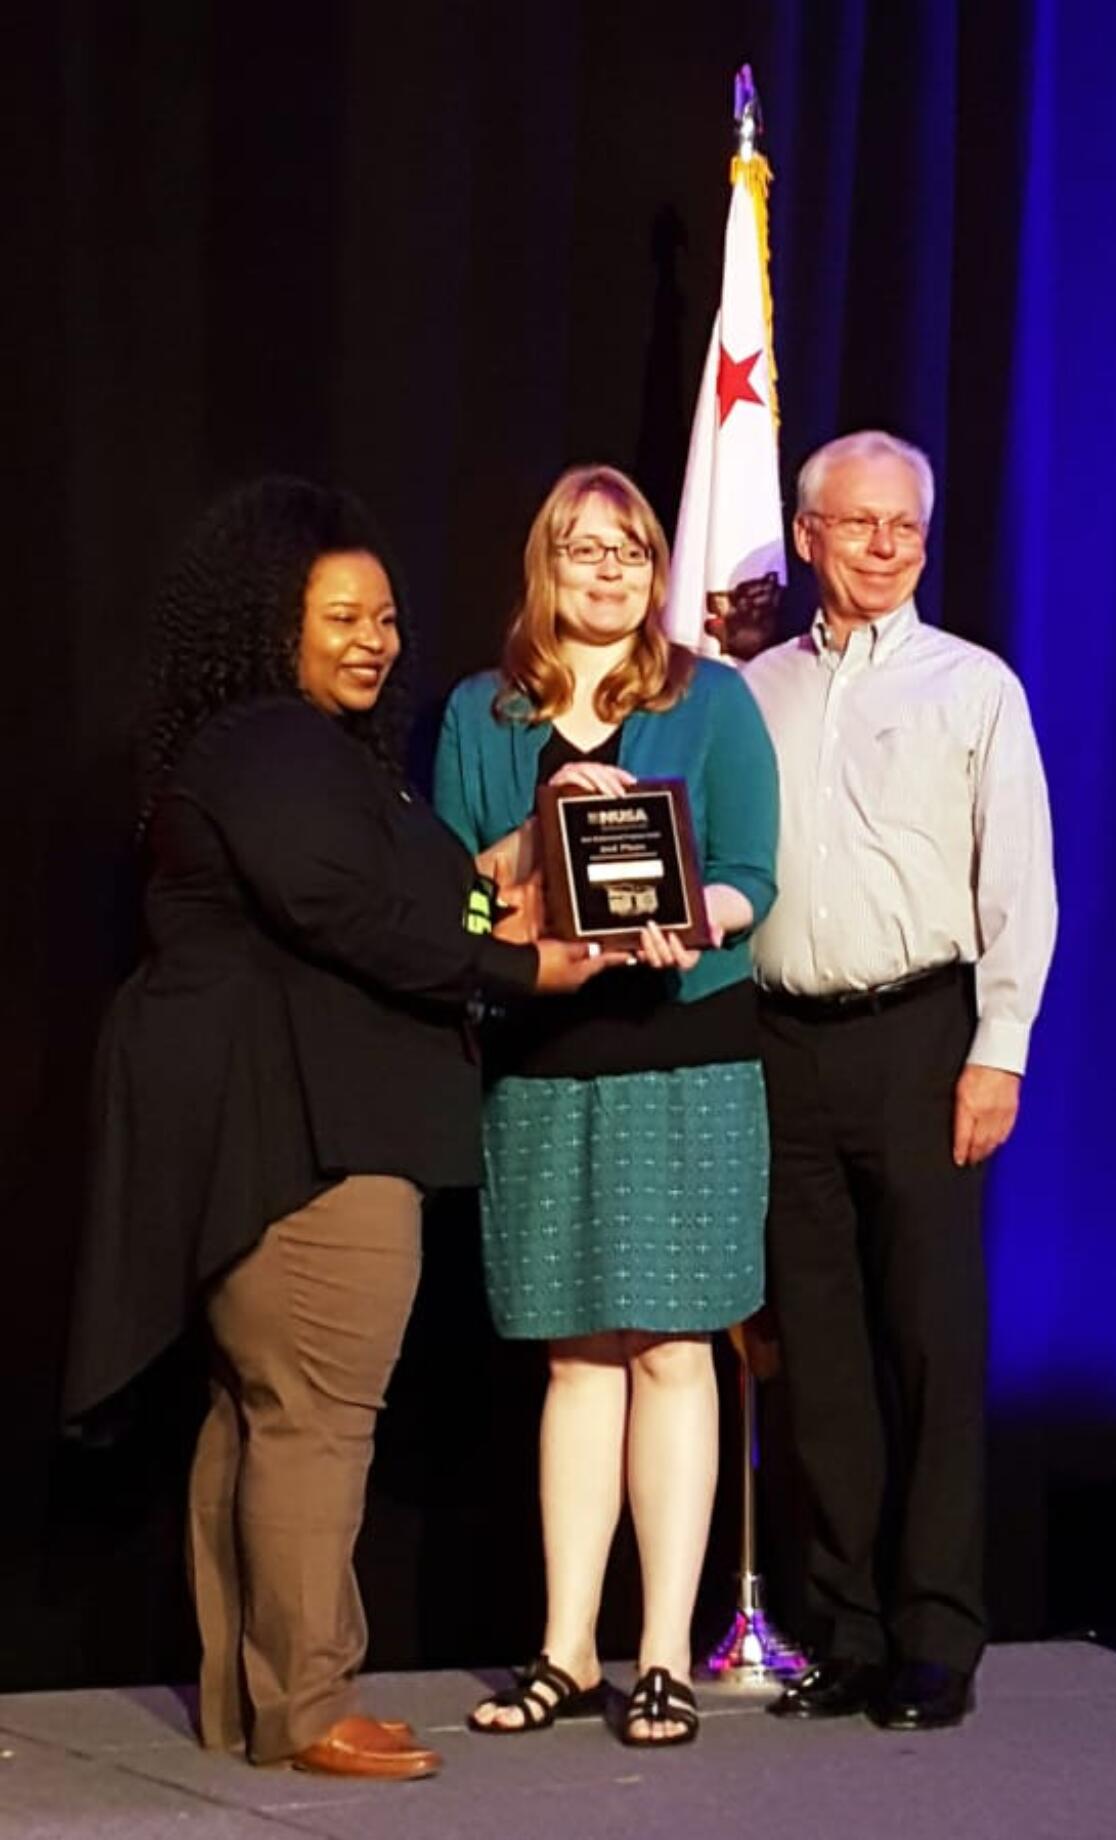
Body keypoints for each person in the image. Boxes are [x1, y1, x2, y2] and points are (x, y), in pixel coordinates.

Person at [63, 477, 614, 1780]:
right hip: (304, 1136)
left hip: (280, 1132)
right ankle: (308, 1705)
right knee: (315, 1416)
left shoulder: (302, 761)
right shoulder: (272, 750)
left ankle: (247, 1699)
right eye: (340, 616)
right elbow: (346, 912)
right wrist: (529, 970)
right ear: (270, 624)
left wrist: (503, 906)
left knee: (260, 1414)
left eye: (386, 618)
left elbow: (413, 901)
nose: (374, 639)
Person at [434, 464, 778, 1746]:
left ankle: (663, 1653)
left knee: (675, 1347)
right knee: (575, 1353)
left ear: (651, 567)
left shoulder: (716, 701)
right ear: (546, 564)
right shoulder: (482, 711)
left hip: (685, 1052)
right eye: (582, 549)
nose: (608, 568)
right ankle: (565, 1646)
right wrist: (531, 842)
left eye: (628, 548)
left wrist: (692, 925)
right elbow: (456, 895)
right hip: (545, 1058)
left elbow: (751, 874)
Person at [744, 430, 1056, 1732]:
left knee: (927, 1341)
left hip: (922, 1039)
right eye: (858, 525)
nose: (882, 548)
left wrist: (999, 1048)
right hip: (776, 1044)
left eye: (905, 529)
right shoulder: (746, 688)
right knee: (814, 1356)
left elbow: (1018, 883)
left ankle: (936, 1635)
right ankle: (849, 1631)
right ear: (807, 535)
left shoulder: (971, 687)